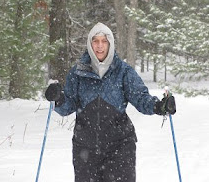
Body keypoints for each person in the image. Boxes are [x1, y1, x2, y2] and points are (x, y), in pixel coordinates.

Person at [45, 22, 176, 182]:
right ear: (89, 43)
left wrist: (159, 106)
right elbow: (68, 105)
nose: (100, 46)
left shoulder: (123, 71)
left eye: (104, 41)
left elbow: (140, 97)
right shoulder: (78, 72)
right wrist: (58, 98)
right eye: (95, 41)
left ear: (110, 43)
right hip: (85, 148)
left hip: (120, 145)